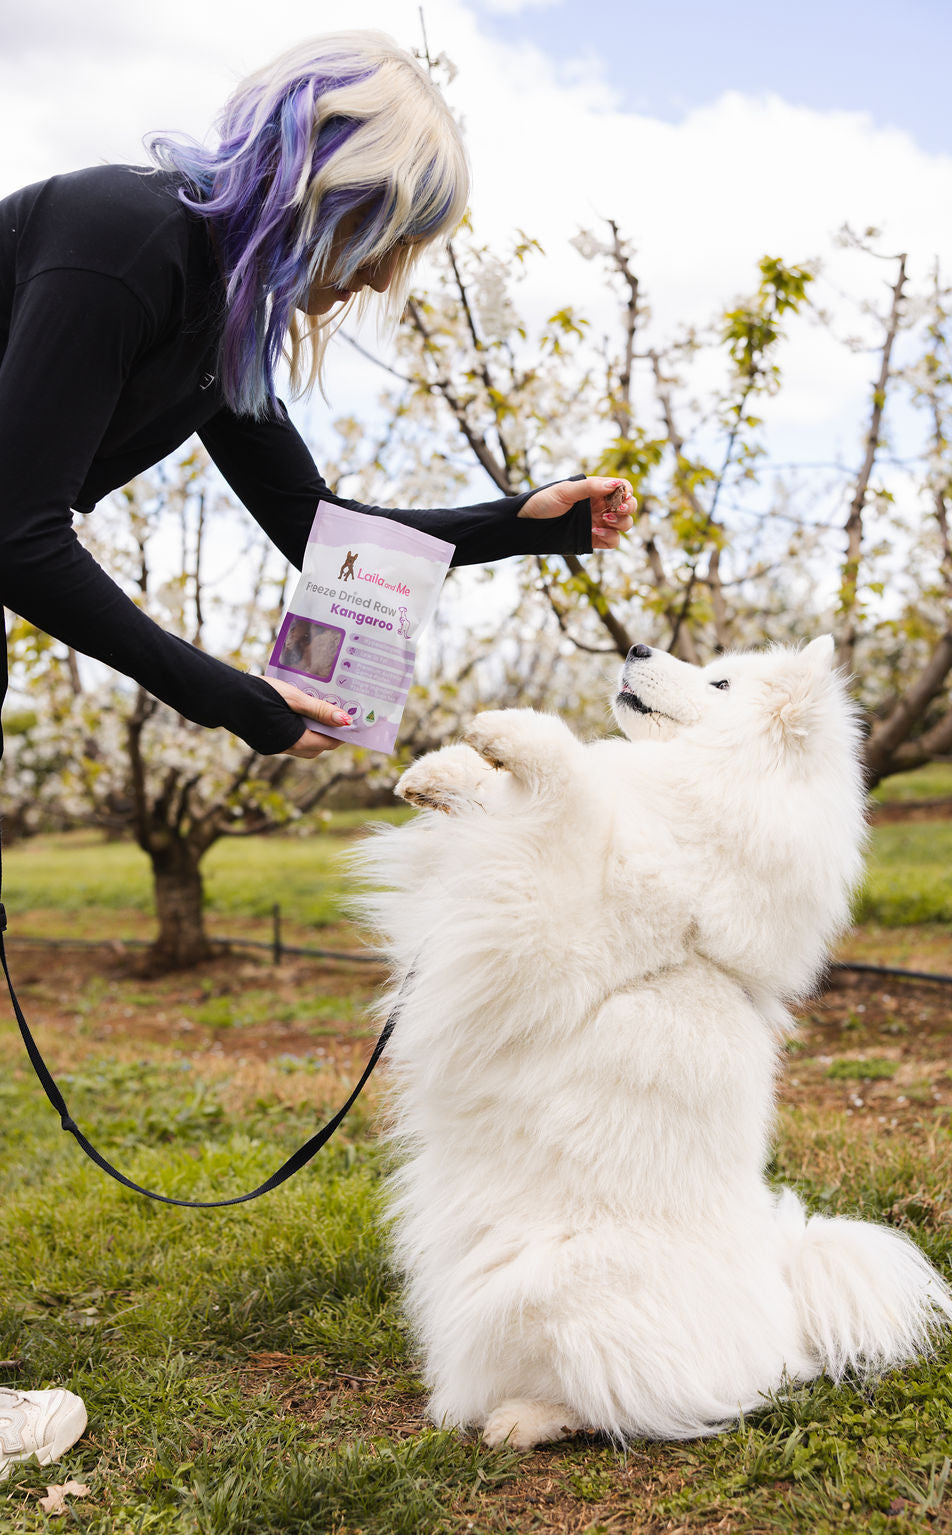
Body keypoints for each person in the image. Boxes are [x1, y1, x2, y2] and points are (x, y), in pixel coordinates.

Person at [0, 30, 635, 1474]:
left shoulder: (218, 329)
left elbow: (319, 532)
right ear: (323, 190)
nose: (383, 275)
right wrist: (235, 699)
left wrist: (518, 521)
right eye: (382, 237)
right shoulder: (118, 240)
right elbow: (20, 530)